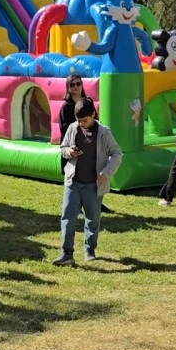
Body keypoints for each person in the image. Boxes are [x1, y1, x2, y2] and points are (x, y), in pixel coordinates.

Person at [55, 99, 122, 266]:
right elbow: (62, 149)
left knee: (92, 218)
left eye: (85, 120)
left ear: (93, 114)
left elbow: (117, 154)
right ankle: (66, 253)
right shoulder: (72, 128)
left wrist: (106, 173)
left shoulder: (104, 133)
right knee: (68, 217)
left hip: (93, 184)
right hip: (73, 182)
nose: (82, 124)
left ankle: (89, 249)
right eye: (79, 121)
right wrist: (69, 151)